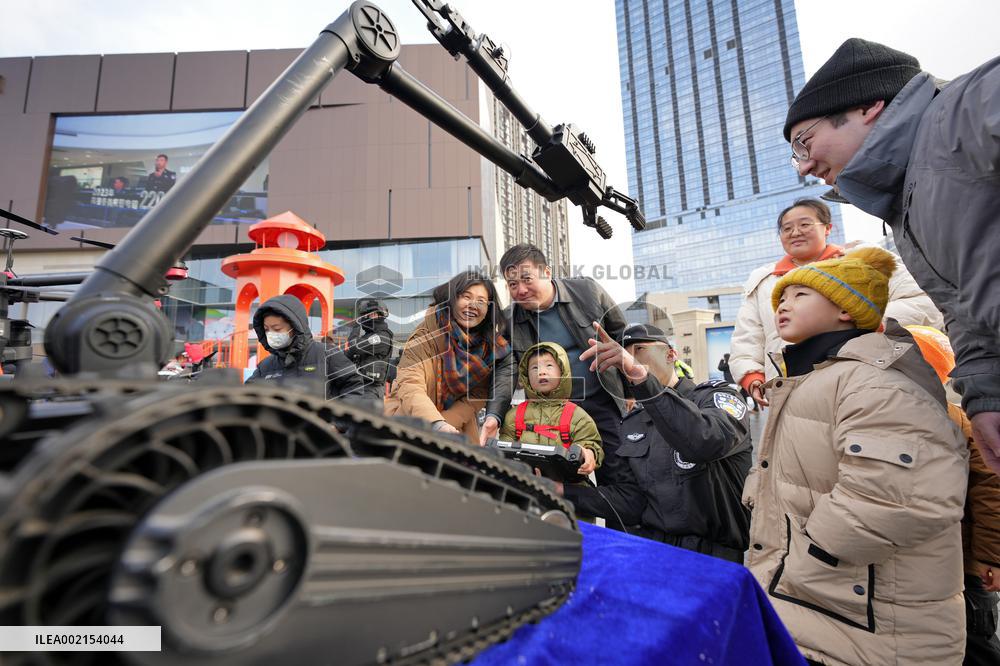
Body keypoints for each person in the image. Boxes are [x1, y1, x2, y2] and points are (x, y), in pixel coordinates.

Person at [784, 37, 1000, 474]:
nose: (804, 167)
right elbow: (961, 310)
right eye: (796, 157)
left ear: (867, 107)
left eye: (804, 143)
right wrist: (986, 394)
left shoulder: (969, 108)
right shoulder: (902, 208)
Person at [743, 246, 968, 665]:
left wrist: (807, 559)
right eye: (781, 298)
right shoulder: (809, 381)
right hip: (821, 610)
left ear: (846, 310)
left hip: (869, 625)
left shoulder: (874, 383)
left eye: (799, 296)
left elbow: (900, 495)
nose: (783, 305)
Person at [566, 323, 752, 562]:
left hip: (712, 557)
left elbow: (706, 440)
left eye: (640, 350)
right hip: (653, 555)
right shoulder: (633, 423)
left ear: (671, 354)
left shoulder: (715, 398)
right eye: (623, 356)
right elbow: (630, 501)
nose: (629, 360)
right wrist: (561, 489)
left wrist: (642, 379)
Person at [730, 197, 941, 407]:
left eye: (805, 224)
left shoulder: (863, 263)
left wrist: (864, 322)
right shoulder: (763, 282)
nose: (795, 232)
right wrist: (752, 376)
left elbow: (923, 302)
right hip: (788, 390)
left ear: (828, 228)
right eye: (786, 228)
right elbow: (748, 336)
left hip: (866, 380)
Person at [485, 244, 631, 508]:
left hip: (603, 401)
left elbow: (623, 339)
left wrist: (631, 394)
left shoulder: (587, 291)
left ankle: (621, 543)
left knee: (621, 482)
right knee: (552, 487)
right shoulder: (509, 320)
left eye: (526, 279)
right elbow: (505, 370)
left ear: (547, 272)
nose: (520, 290)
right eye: (512, 283)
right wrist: (495, 414)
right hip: (548, 415)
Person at [905, 325, 1000, 666]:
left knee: (975, 641)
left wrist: (991, 557)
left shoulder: (957, 421)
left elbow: (991, 492)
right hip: (931, 564)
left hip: (965, 565)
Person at [384, 270, 514, 443]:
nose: (473, 305)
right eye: (466, 297)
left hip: (455, 429)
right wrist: (436, 424)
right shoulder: (425, 335)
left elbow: (476, 396)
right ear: (452, 299)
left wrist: (447, 425)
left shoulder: (489, 349)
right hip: (409, 420)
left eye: (481, 301)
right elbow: (410, 385)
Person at [498, 342, 602, 480]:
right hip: (523, 483)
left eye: (549, 365)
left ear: (563, 371)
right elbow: (504, 450)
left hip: (568, 487)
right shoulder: (514, 415)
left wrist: (587, 453)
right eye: (534, 368)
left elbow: (590, 444)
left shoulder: (577, 416)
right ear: (525, 376)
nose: (541, 372)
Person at [245, 294, 365, 400]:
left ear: (295, 327)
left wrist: (338, 423)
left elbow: (353, 386)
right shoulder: (265, 366)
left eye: (277, 329)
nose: (271, 334)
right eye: (266, 329)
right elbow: (246, 396)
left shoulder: (327, 354)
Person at [344, 298, 394, 400]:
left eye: (368, 315)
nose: (365, 319)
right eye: (364, 316)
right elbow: (347, 355)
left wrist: (356, 327)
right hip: (360, 387)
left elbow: (354, 346)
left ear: (377, 315)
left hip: (371, 390)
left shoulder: (381, 337)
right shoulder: (368, 336)